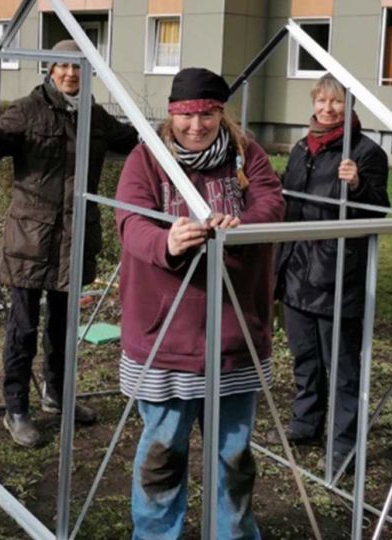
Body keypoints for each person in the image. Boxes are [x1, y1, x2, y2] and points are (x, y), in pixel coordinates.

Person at [114, 67, 284, 539]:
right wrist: (167, 243)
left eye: (207, 114)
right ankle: (154, 536)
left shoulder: (246, 156)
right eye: (187, 116)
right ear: (172, 116)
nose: (196, 125)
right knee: (162, 453)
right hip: (167, 335)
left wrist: (242, 227)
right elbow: (130, 220)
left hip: (234, 332)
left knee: (233, 453)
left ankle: (232, 534)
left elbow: (271, 202)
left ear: (220, 113)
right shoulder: (147, 159)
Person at [0, 40, 140, 448]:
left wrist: (176, 131)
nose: (71, 74)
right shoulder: (27, 110)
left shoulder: (94, 115)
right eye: (63, 66)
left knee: (63, 326)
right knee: (23, 328)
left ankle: (57, 396)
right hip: (30, 241)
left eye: (79, 68)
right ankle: (16, 409)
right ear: (51, 69)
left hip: (74, 241)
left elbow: (136, 142)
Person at [271, 74, 389, 470]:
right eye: (322, 100)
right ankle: (306, 424)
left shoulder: (366, 153)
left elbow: (379, 212)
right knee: (304, 356)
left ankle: (344, 445)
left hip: (336, 275)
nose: (327, 109)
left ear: (350, 106)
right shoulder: (304, 146)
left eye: (336, 102)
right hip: (296, 269)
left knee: (341, 366)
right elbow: (290, 202)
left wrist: (357, 186)